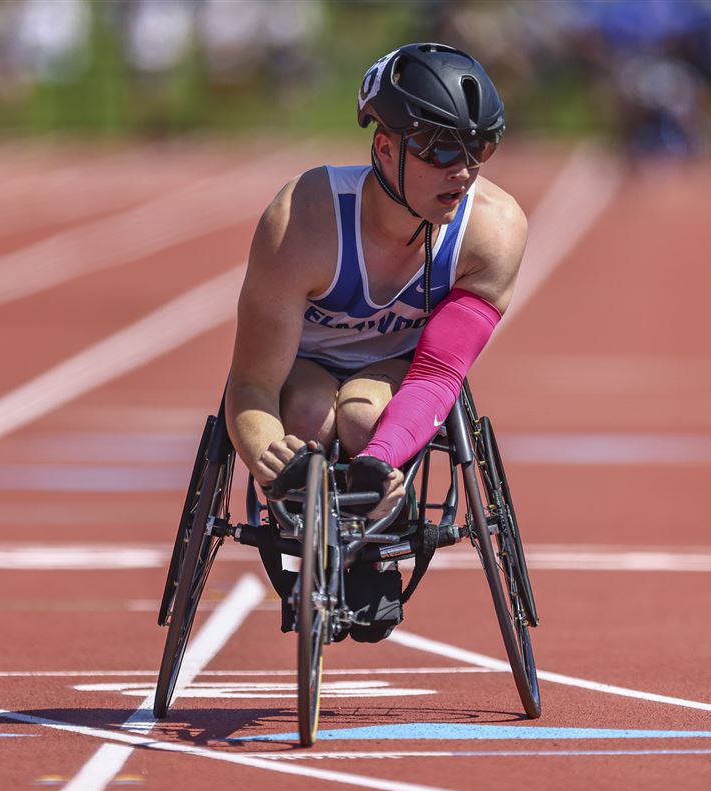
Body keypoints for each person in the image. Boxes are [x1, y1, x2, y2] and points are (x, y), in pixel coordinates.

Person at [224, 43, 527, 641]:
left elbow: (441, 374)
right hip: (302, 362)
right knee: (309, 415)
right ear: (384, 148)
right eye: (441, 148)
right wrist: (263, 454)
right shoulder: (301, 222)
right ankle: (311, 551)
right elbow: (253, 382)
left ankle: (375, 551)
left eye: (478, 149)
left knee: (363, 419)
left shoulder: (493, 232)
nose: (462, 171)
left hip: (399, 367)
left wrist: (378, 464)